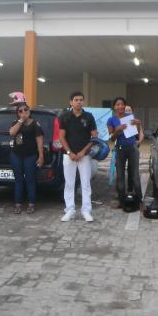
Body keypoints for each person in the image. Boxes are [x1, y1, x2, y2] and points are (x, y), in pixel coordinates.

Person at [59, 91, 98, 222]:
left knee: (86, 184)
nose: (79, 102)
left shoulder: (89, 117)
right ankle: (69, 210)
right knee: (69, 184)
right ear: (71, 102)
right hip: (68, 156)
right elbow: (61, 137)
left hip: (84, 156)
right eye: (76, 100)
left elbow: (94, 137)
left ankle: (86, 211)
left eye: (81, 99)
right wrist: (70, 152)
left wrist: (83, 152)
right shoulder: (64, 116)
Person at [107, 97, 143, 212]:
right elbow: (111, 139)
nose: (120, 106)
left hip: (132, 149)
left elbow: (136, 135)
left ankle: (139, 201)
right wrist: (117, 130)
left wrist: (138, 125)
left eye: (122, 104)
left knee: (135, 176)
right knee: (120, 177)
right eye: (117, 104)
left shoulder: (130, 118)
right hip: (120, 149)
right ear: (114, 107)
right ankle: (122, 202)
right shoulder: (111, 120)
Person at [9, 103, 44, 214]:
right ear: (17, 113)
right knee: (18, 180)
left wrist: (41, 156)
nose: (24, 112)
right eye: (20, 111)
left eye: (26, 109)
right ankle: (18, 204)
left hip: (30, 155)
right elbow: (12, 133)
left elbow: (39, 141)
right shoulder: (15, 123)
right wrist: (21, 120)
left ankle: (31, 203)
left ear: (29, 111)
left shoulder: (35, 124)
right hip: (16, 155)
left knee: (30, 179)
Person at [124, 105, 144, 195]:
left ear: (132, 112)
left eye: (129, 110)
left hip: (133, 148)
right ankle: (120, 191)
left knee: (132, 170)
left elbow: (141, 134)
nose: (127, 111)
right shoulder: (120, 121)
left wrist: (139, 141)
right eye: (126, 110)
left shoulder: (136, 122)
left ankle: (131, 190)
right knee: (119, 170)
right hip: (122, 148)